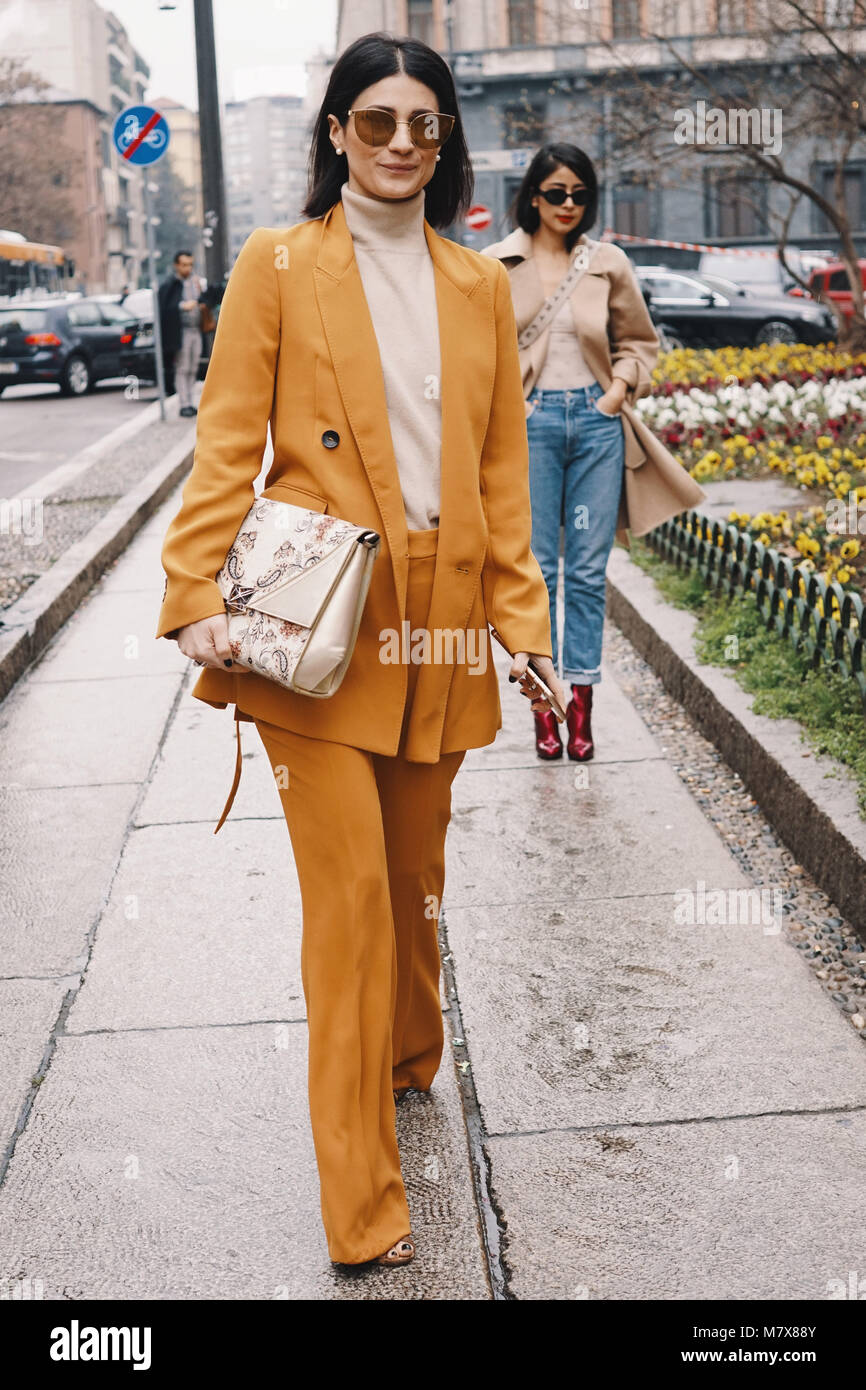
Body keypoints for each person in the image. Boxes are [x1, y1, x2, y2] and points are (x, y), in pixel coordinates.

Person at [155, 32, 566, 1268]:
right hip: (314, 629)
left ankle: (407, 1053)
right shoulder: (279, 265)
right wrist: (191, 597)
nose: (398, 142)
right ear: (334, 131)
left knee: (412, 883)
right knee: (344, 907)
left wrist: (521, 627)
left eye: (421, 125)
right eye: (373, 120)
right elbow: (228, 444)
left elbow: (498, 476)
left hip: (438, 625)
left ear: (444, 143)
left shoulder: (478, 285)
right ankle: (363, 1206)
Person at [483, 144, 702, 761]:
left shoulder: (606, 262)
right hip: (531, 427)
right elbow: (477, 354)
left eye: (580, 194)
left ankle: (580, 707)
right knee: (539, 573)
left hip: (597, 424)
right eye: (556, 193)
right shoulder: (497, 263)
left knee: (584, 574)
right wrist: (518, 408)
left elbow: (639, 342)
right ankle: (543, 708)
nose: (569, 205)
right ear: (532, 195)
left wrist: (617, 392)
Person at [157, 249, 204, 413]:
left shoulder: (195, 282)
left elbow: (202, 302)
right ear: (177, 265)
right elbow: (165, 307)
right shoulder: (171, 284)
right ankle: (184, 403)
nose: (187, 268)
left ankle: (190, 402)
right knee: (183, 367)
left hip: (196, 329)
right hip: (180, 331)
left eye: (190, 265)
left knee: (193, 367)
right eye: (184, 265)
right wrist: (182, 306)